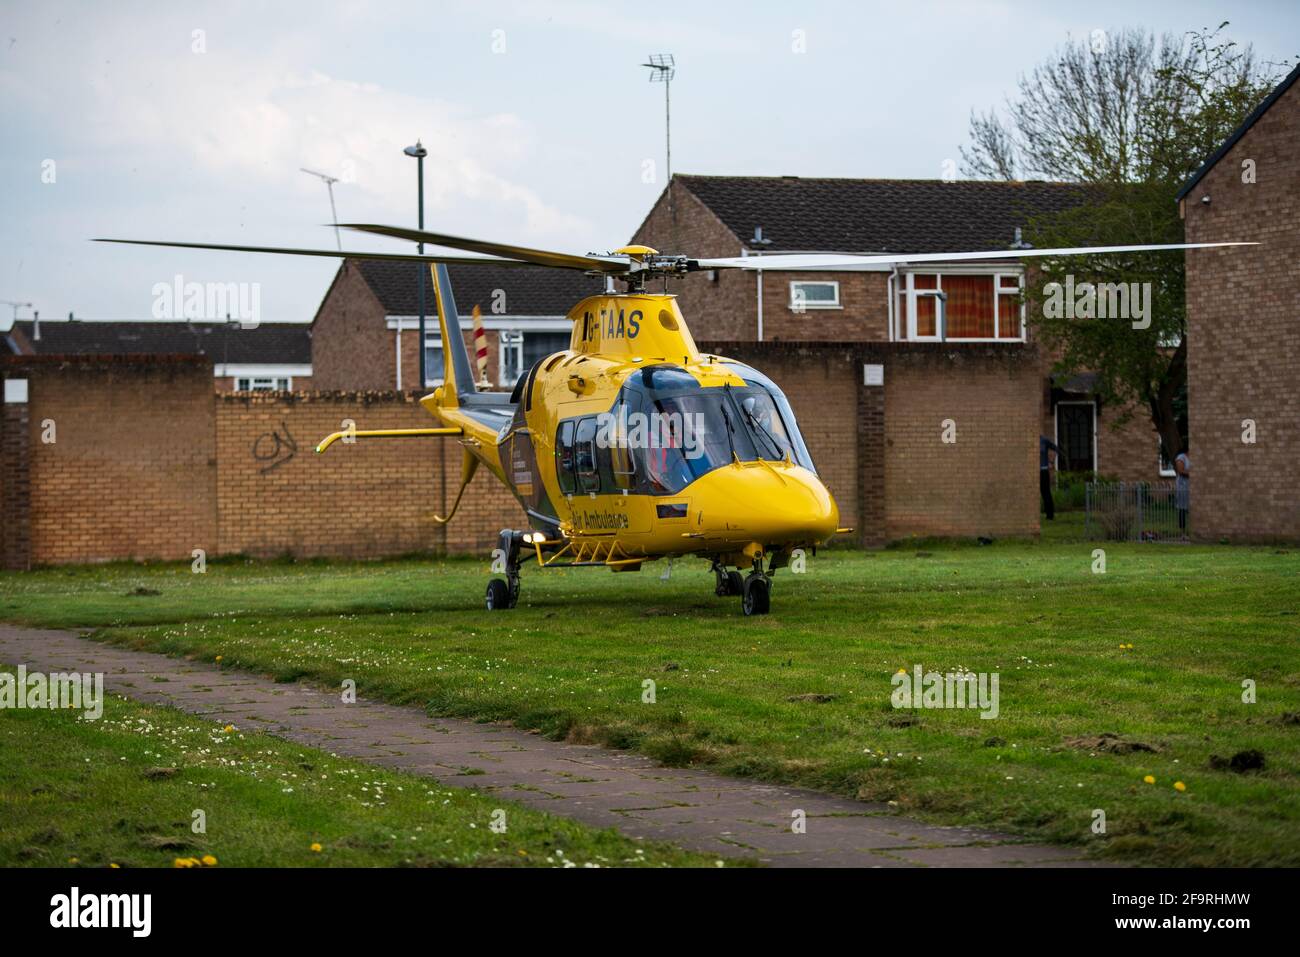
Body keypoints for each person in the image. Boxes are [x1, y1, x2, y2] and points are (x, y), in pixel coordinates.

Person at [1039, 435, 1063, 521]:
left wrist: (1051, 462)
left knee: (1046, 493)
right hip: (1033, 472)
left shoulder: (1044, 440)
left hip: (1043, 471)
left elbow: (1056, 449)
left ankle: (1050, 515)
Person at [1174, 447, 1191, 532]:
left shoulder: (1193, 457)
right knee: (1182, 508)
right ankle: (1182, 531)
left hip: (1191, 486)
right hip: (1182, 486)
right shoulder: (1181, 457)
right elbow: (1181, 471)